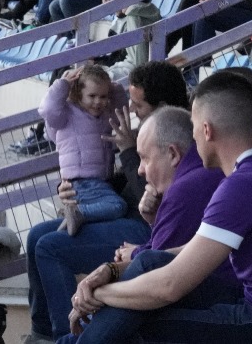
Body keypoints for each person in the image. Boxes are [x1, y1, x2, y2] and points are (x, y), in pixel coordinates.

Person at [62, 72, 252, 344]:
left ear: (206, 130)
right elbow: (192, 250)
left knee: (139, 325)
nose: (192, 139)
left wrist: (96, 295)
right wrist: (111, 271)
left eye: (193, 128)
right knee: (148, 263)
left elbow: (170, 287)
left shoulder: (243, 186)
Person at [24, 62, 192, 342]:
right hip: (122, 213)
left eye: (137, 105)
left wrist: (127, 150)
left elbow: (154, 200)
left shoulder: (177, 138)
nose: (131, 111)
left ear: (160, 105)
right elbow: (126, 184)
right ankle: (40, 332)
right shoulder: (152, 128)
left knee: (50, 247)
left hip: (147, 229)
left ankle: (67, 336)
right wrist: (75, 190)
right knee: (35, 236)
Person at [43, 66, 129, 235]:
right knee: (118, 206)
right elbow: (48, 110)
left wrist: (114, 88)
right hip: (81, 182)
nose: (98, 101)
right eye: (92, 96)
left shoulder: (104, 116)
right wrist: (63, 85)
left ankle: (74, 216)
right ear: (77, 93)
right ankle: (78, 213)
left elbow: (121, 110)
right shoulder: (67, 114)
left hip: (100, 181)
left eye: (103, 96)